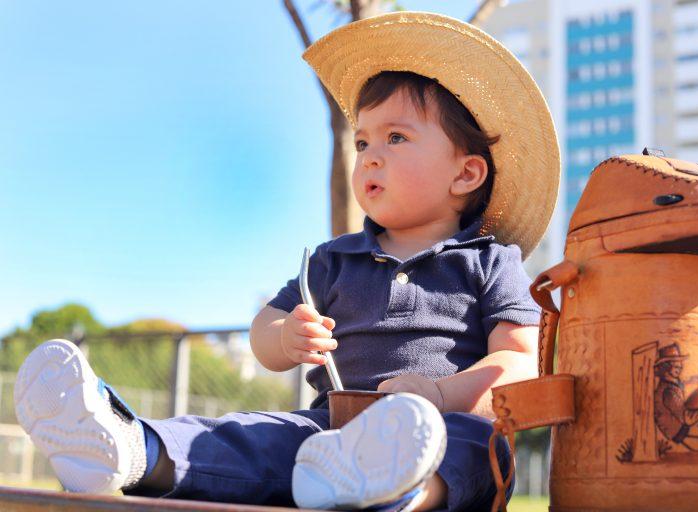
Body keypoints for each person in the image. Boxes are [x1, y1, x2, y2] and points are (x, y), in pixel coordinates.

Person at [13, 11, 559, 511]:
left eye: (396, 137)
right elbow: (263, 331)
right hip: (329, 428)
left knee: (476, 448)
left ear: (465, 174)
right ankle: (129, 448)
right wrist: (284, 337)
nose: (370, 154)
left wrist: (440, 395)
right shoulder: (333, 259)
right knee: (252, 434)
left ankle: (399, 489)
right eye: (363, 140)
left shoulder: (489, 261)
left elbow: (518, 362)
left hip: (445, 421)